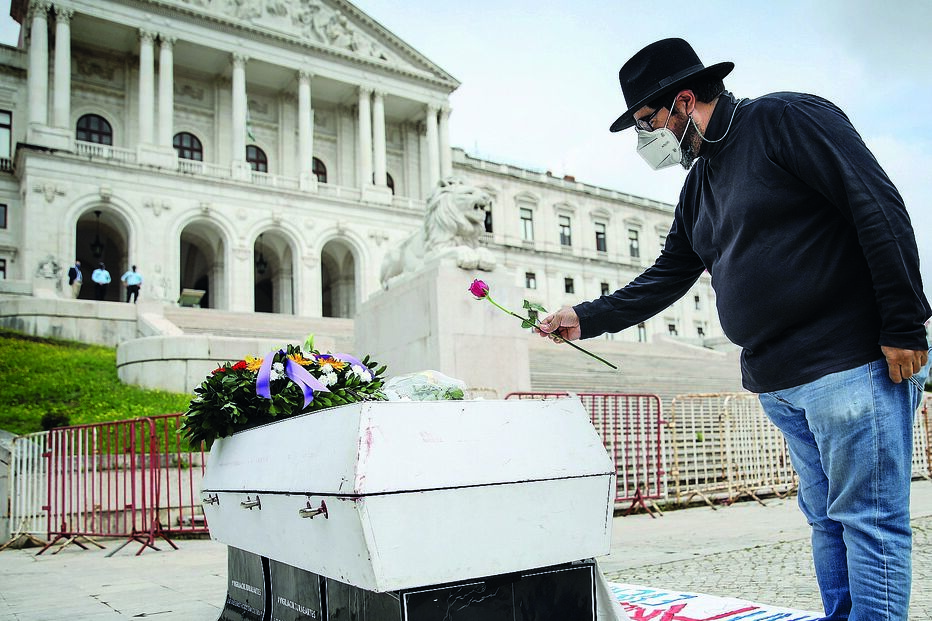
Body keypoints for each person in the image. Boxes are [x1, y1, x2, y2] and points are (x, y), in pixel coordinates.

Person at [536, 38, 930, 621]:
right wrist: (583, 317)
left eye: (648, 123)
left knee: (869, 523)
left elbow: (875, 204)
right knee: (826, 522)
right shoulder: (698, 185)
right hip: (781, 382)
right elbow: (668, 274)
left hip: (849, 364)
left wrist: (905, 321)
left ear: (684, 100)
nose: (648, 141)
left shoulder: (784, 120)